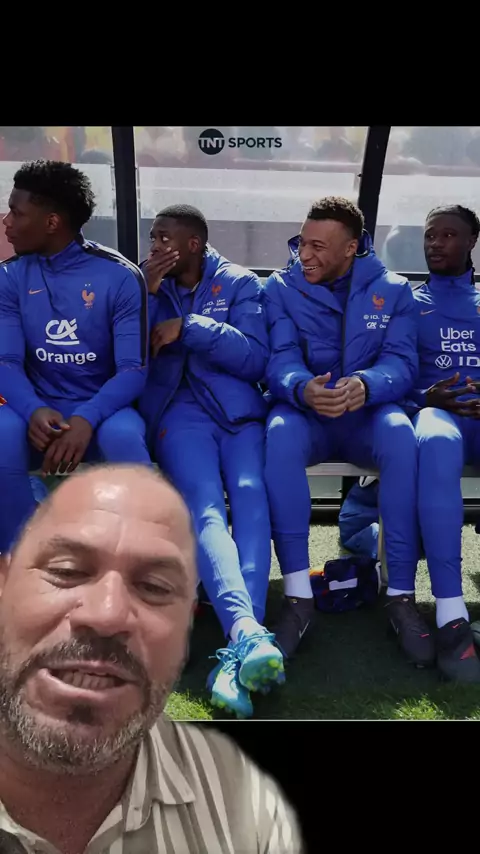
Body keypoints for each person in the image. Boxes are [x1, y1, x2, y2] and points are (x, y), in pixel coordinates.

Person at [0, 464, 304, 854]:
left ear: (186, 626)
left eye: (153, 587)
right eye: (67, 571)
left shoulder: (253, 814)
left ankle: (243, 636)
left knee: (242, 492)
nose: (107, 614)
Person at [138, 204, 284, 718]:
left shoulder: (240, 283)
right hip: (179, 415)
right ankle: (247, 633)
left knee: (250, 496)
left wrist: (191, 327)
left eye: (164, 238)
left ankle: (243, 638)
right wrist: (147, 296)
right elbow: (128, 353)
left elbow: (255, 358)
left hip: (239, 414)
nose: (155, 247)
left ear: (194, 244)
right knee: (205, 508)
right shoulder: (142, 284)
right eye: (153, 238)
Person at [263, 196, 419, 659]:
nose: (304, 255)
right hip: (308, 415)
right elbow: (279, 357)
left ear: (351, 248)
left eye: (318, 247)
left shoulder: (393, 290)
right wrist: (301, 387)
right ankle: (298, 598)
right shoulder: (279, 288)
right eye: (301, 243)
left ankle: (401, 598)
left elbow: (402, 363)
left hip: (366, 416)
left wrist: (368, 385)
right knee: (279, 433)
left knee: (400, 432)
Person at [0, 159, 151, 555]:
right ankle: (20, 559)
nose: (7, 222)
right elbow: (6, 362)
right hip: (35, 411)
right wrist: (33, 409)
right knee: (1, 432)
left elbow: (133, 370)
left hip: (102, 409)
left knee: (123, 436)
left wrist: (86, 418)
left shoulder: (119, 275)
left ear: (52, 222)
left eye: (17, 212)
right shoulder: (9, 276)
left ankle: (143, 557)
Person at [408, 205, 480, 681]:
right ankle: (451, 617)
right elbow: (392, 374)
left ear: (472, 241)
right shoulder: (409, 304)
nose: (436, 243)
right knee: (433, 439)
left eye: (448, 235)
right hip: (439, 416)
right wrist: (423, 398)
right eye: (431, 235)